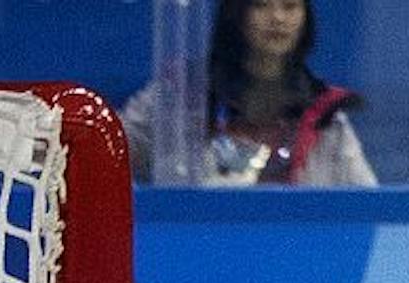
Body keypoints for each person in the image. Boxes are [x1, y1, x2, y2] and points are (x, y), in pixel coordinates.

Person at [119, 0, 377, 187]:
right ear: (235, 13)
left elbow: (366, 206)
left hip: (294, 253)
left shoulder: (326, 115)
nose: (277, 18)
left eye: (290, 6)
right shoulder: (180, 95)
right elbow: (106, 154)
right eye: (261, 5)